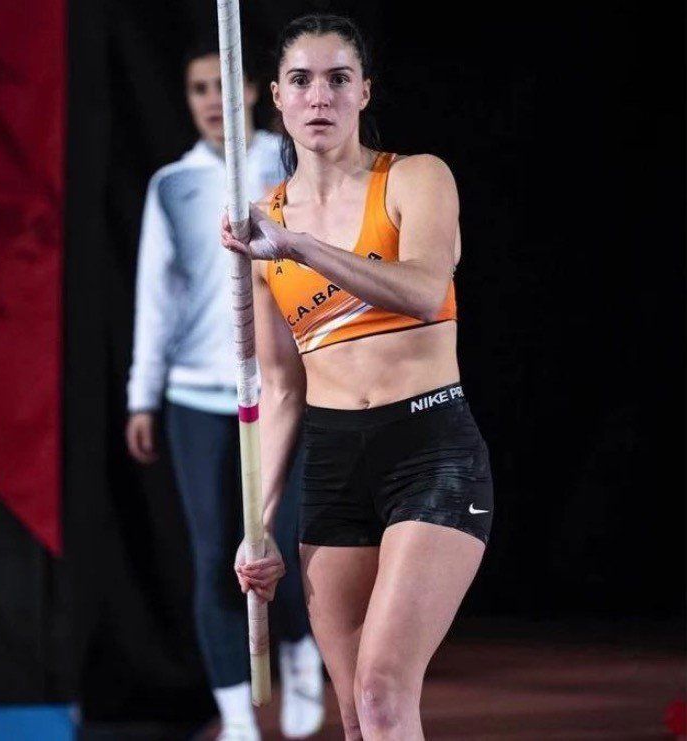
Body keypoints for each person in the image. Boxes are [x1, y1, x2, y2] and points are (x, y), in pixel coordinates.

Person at [221, 14, 493, 741]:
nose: (320, 97)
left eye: (338, 79)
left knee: (381, 692)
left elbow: (424, 290)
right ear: (276, 96)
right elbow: (282, 389)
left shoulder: (414, 177)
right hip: (335, 463)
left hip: (431, 451)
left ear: (364, 91)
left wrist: (299, 247)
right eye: (302, 80)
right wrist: (258, 528)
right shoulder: (261, 224)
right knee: (355, 717)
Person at [126, 42, 324, 741]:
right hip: (197, 395)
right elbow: (156, 295)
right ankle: (237, 712)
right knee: (216, 556)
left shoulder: (291, 162)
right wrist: (142, 394)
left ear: (253, 90)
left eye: (224, 83)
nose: (213, 99)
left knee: (282, 540)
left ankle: (301, 654)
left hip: (285, 390)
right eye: (199, 88)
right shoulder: (171, 184)